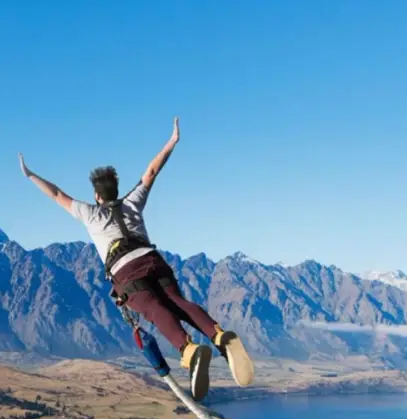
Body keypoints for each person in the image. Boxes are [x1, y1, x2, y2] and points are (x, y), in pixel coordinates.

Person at [18, 117, 254, 400]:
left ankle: (189, 350)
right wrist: (171, 142)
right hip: (154, 261)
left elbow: (57, 194)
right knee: (178, 302)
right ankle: (218, 335)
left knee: (154, 309)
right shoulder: (132, 202)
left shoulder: (90, 214)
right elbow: (151, 172)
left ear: (96, 196)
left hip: (127, 272)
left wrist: (30, 175)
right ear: (115, 192)